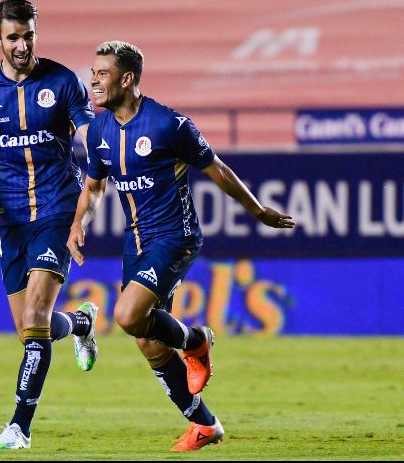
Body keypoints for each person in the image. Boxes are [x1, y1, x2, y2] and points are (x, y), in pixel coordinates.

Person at [67, 41, 295, 451]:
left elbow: (218, 169)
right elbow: (95, 186)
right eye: (93, 72)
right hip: (137, 240)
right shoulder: (99, 130)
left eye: (102, 73)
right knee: (148, 340)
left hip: (175, 236)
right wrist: (79, 222)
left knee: (127, 314)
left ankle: (196, 342)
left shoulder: (169, 124)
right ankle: (205, 425)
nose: (94, 80)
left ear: (127, 78)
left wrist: (257, 209)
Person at [0, 0, 100, 450]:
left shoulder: (62, 82)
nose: (22, 45)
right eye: (13, 37)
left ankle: (19, 426)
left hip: (58, 210)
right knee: (28, 330)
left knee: (36, 319)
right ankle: (80, 324)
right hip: (10, 221)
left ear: (36, 32)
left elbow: (88, 138)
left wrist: (91, 198)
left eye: (29, 35)